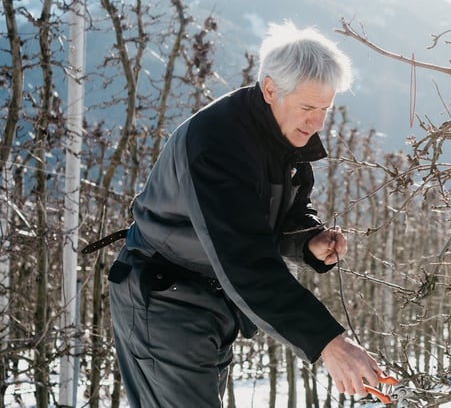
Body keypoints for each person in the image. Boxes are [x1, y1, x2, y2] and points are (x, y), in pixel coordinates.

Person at [106, 21, 383, 407]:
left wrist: (309, 240)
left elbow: (279, 210)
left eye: (325, 109)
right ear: (270, 89)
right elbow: (245, 260)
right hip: (163, 296)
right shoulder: (217, 145)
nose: (318, 123)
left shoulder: (281, 132)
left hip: (213, 301)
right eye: (307, 107)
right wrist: (328, 343)